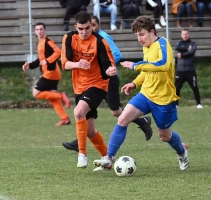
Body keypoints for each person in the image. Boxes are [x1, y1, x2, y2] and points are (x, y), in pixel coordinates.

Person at [93, 16, 190, 172]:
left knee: (164, 136)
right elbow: (148, 69)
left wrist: (135, 65)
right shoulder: (146, 46)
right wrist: (134, 83)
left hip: (164, 100)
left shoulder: (163, 44)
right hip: (146, 94)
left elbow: (163, 65)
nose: (139, 39)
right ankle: (108, 158)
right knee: (123, 118)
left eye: (142, 34)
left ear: (152, 31)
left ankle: (182, 151)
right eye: (137, 35)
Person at [62, 15, 153, 153]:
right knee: (98, 112)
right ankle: (82, 141)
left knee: (115, 111)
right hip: (91, 82)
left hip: (106, 79)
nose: (87, 30)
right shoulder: (81, 40)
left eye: (91, 26)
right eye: (83, 27)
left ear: (97, 26)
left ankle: (142, 122)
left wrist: (102, 65)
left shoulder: (103, 38)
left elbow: (116, 54)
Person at [61, 11, 118, 168]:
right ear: (76, 27)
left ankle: (82, 154)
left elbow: (107, 66)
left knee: (78, 112)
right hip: (79, 87)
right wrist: (78, 64)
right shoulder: (69, 38)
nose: (84, 32)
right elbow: (65, 63)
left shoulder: (100, 41)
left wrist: (110, 71)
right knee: (91, 130)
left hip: (98, 84)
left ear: (92, 26)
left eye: (87, 28)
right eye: (81, 29)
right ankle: (109, 161)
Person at [22, 22, 71, 126]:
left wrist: (48, 61)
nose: (39, 31)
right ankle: (65, 118)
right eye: (37, 30)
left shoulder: (47, 41)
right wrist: (29, 65)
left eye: (41, 29)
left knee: (36, 93)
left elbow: (58, 52)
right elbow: (41, 59)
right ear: (35, 32)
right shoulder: (40, 43)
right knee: (51, 97)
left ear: (45, 30)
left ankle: (61, 95)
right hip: (53, 73)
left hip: (50, 73)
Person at [174, 28, 203, 109]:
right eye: (183, 34)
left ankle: (198, 103)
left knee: (194, 87)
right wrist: (187, 49)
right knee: (177, 88)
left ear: (189, 34)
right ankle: (175, 104)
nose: (185, 36)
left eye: (186, 34)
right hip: (180, 70)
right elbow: (177, 48)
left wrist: (182, 54)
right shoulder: (178, 43)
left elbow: (192, 52)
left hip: (190, 70)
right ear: (181, 35)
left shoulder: (193, 43)